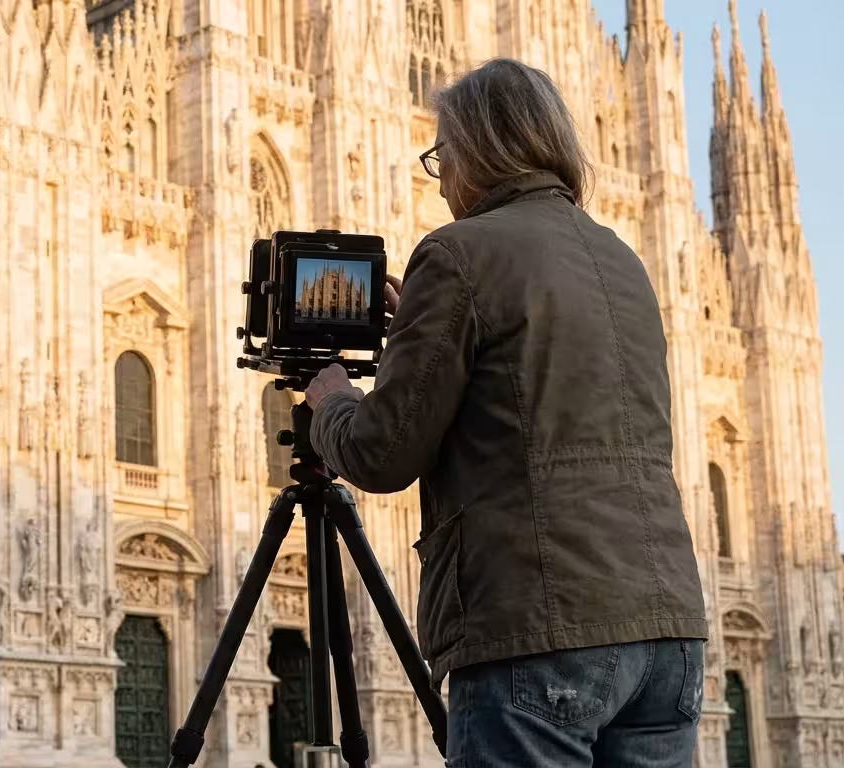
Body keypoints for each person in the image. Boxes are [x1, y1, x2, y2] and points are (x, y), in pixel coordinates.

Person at [303, 58, 709, 767]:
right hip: (665, 629)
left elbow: (381, 453)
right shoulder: (622, 260)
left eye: (442, 157)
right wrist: (425, 335)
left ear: (475, 153)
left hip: (537, 624)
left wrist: (331, 399)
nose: (443, 178)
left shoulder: (461, 253)